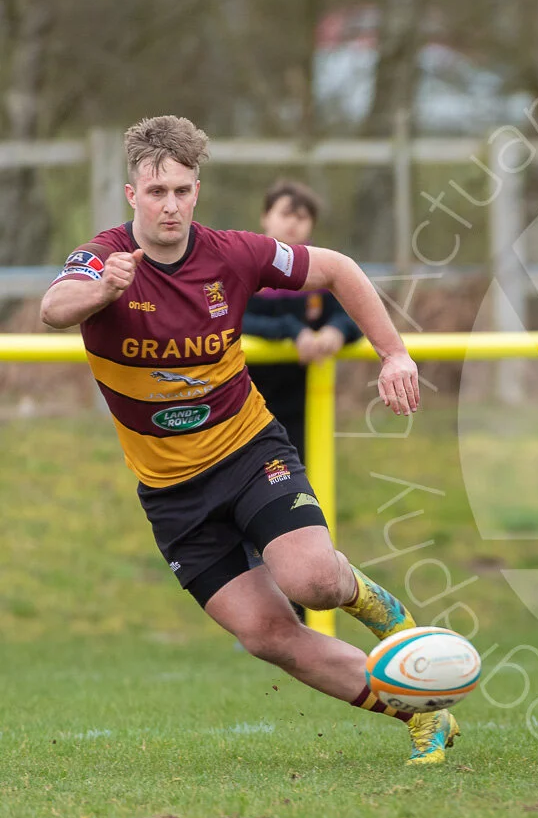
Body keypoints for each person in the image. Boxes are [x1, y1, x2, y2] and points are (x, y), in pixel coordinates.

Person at [38, 116, 455, 765]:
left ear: (196, 191)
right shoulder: (104, 258)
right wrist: (102, 290)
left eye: (180, 190)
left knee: (313, 580)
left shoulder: (233, 253)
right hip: (173, 496)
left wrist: (393, 353)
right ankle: (420, 708)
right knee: (267, 636)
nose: (169, 205)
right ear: (131, 196)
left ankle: (374, 602)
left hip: (247, 452)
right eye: (155, 193)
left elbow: (339, 269)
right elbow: (53, 308)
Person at [242, 181, 362, 625]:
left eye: (302, 216)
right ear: (265, 217)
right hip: (247, 410)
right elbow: (238, 316)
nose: (292, 222)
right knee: (251, 517)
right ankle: (268, 617)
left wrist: (336, 331)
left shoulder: (321, 272)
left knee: (298, 509)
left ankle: (310, 615)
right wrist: (293, 332)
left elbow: (350, 311)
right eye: (284, 212)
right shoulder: (248, 270)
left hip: (301, 413)